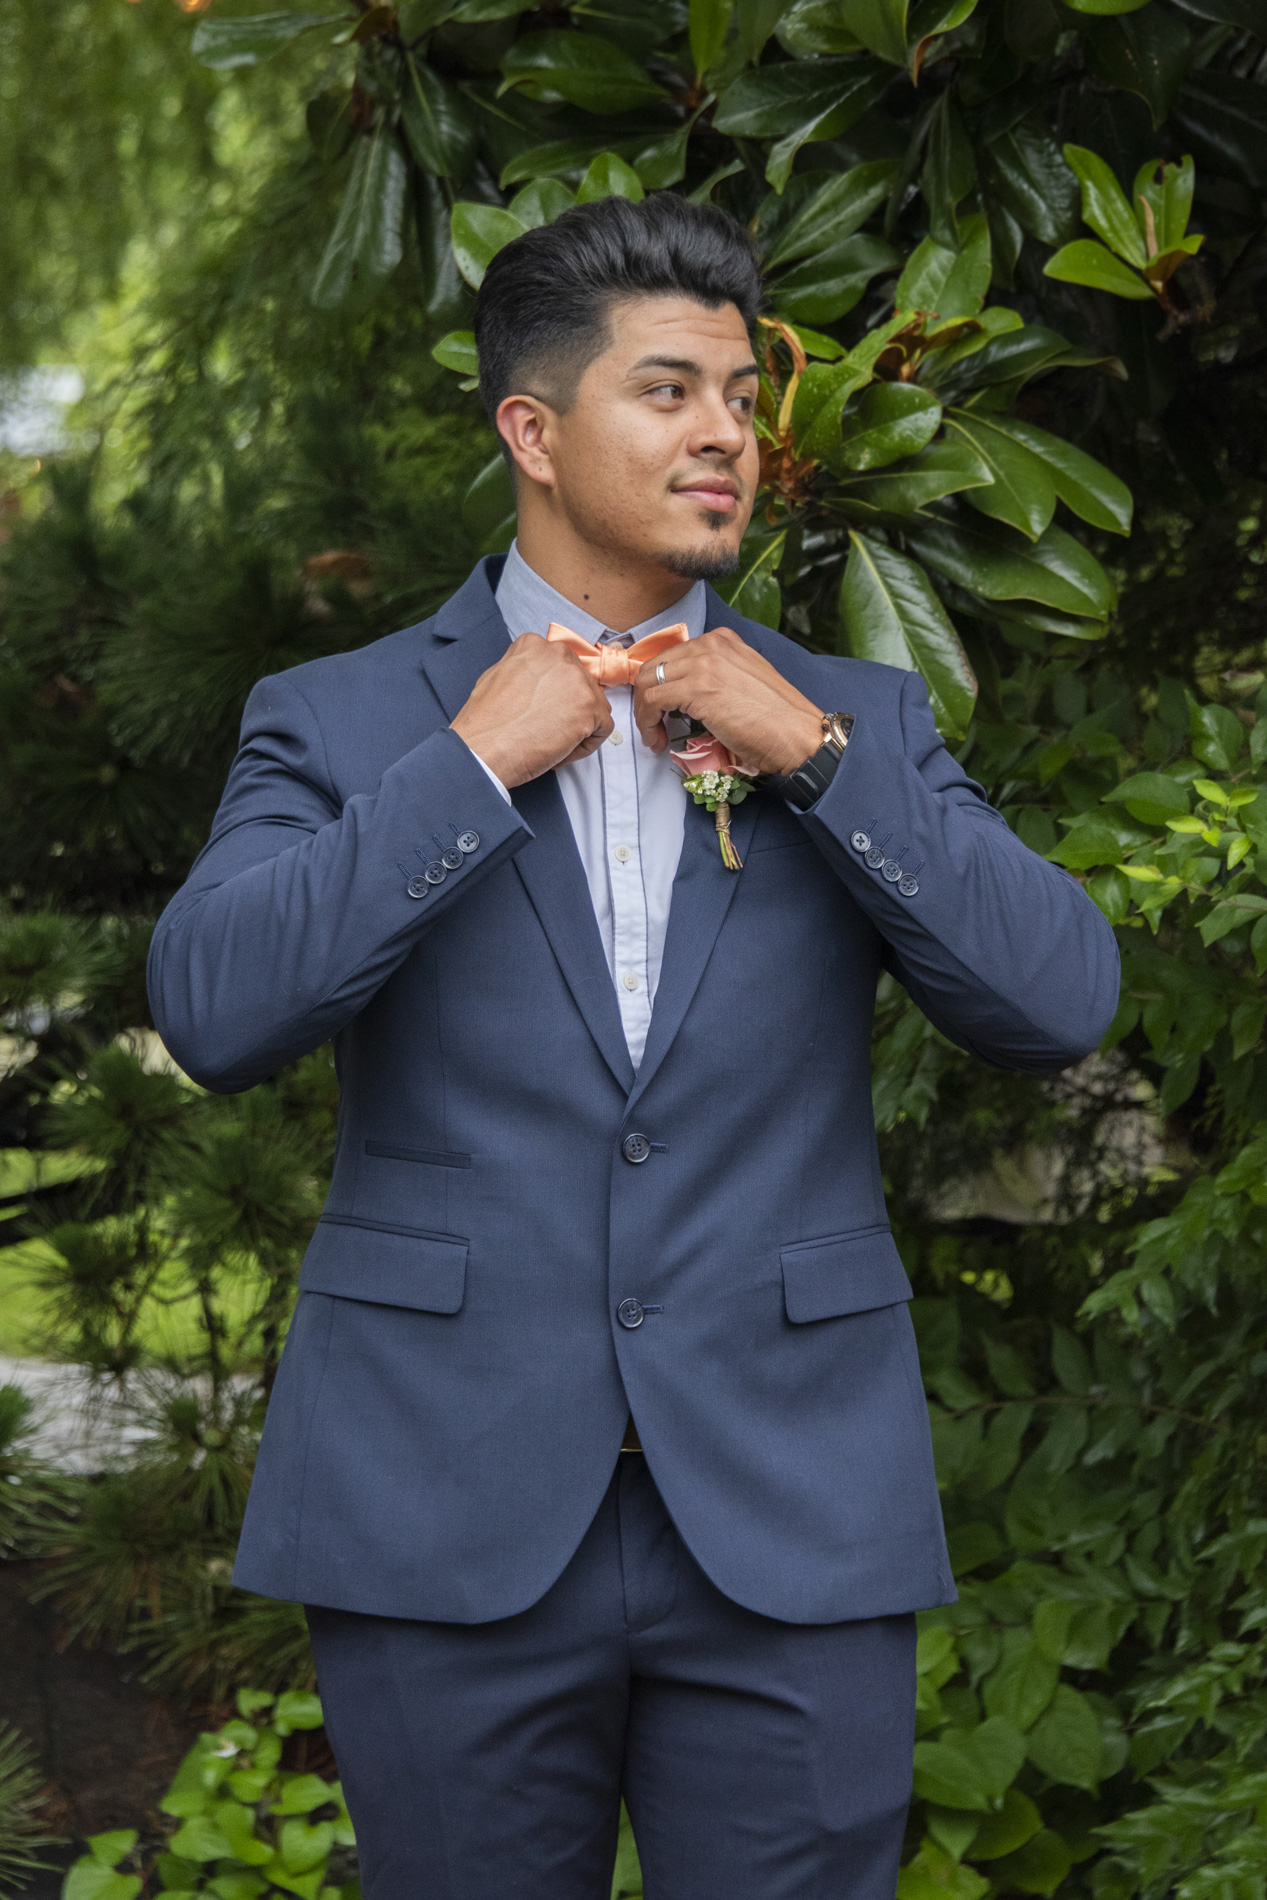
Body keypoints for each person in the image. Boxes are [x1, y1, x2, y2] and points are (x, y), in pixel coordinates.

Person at [147, 193, 1120, 1900]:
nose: (726, 437)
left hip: (791, 1503)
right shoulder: (340, 716)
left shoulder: (858, 715)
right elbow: (218, 1008)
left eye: (744, 399)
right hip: (441, 1499)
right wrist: (465, 767)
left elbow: (1057, 1000)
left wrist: (809, 751)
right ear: (532, 428)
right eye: (671, 391)